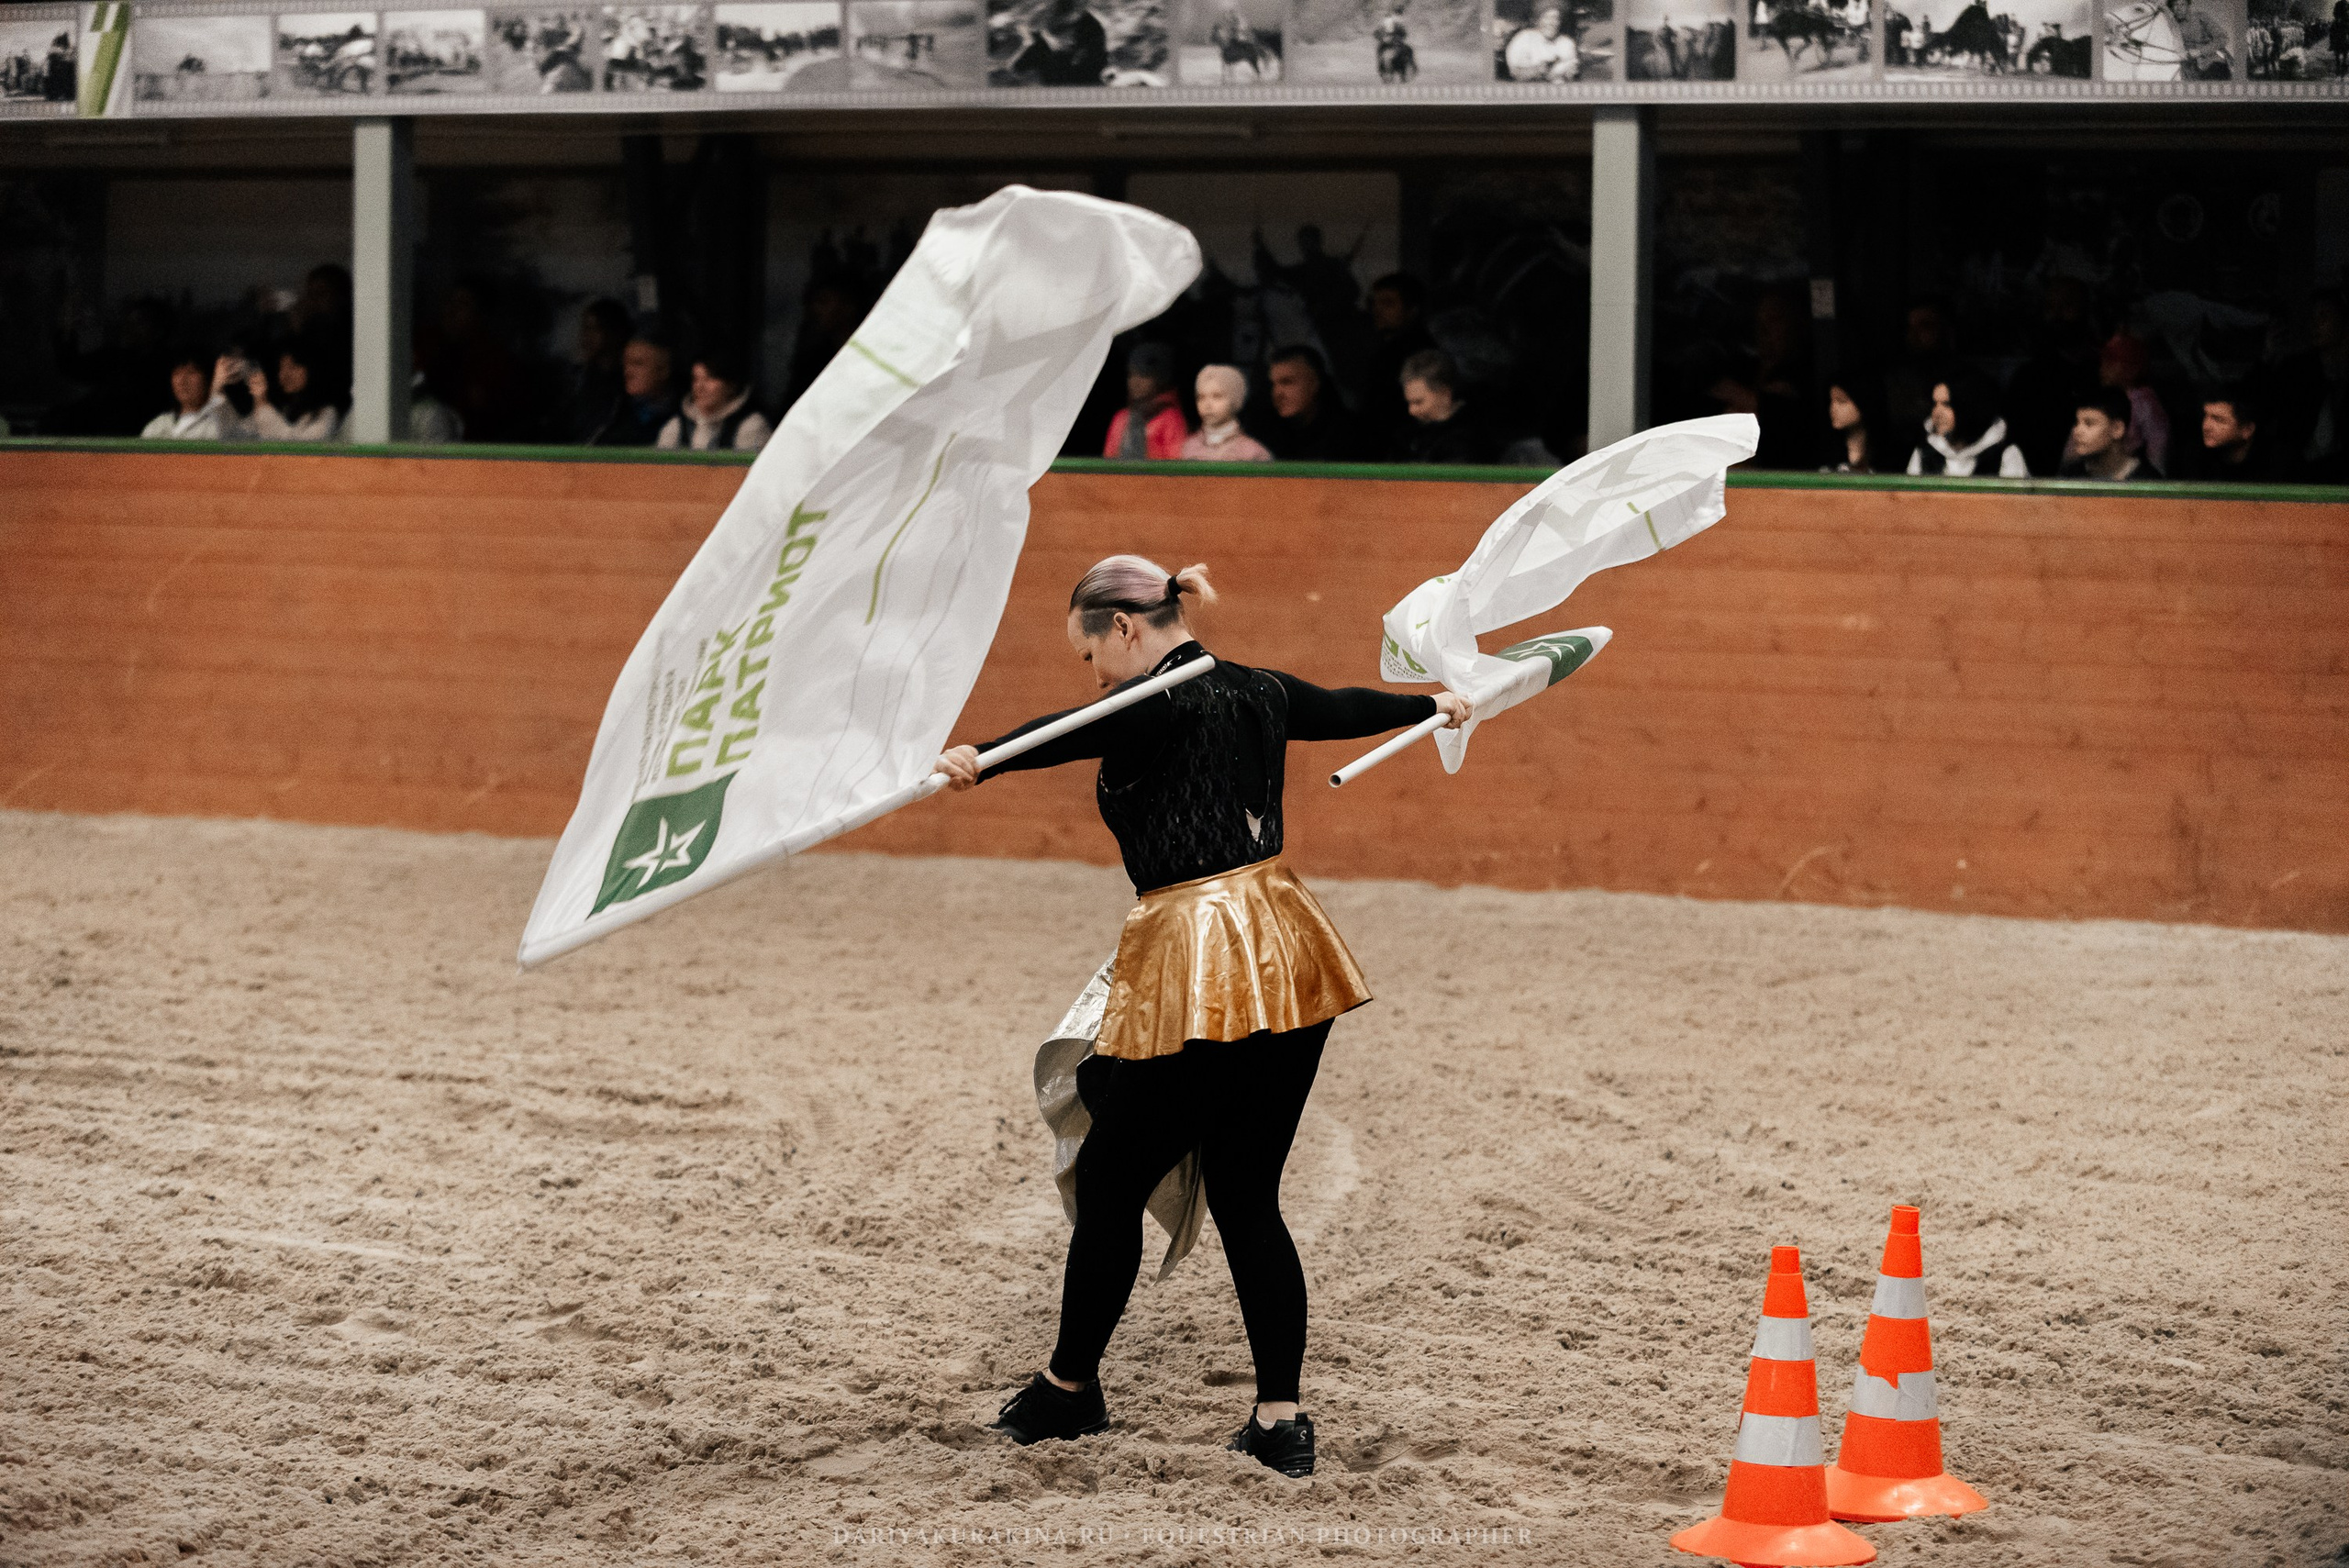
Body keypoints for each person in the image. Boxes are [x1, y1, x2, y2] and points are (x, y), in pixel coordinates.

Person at [934, 557, 1471, 1476]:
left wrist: (979, 757)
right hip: (1290, 945)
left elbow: (1067, 731)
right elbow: (1343, 705)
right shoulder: (1259, 687)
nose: (1093, 674)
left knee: (1110, 1178)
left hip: (1199, 957)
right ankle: (1279, 1417)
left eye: (1091, 653)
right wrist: (1430, 704)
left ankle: (1069, 1390)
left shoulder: (1153, 698)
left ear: (1127, 629)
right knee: (1245, 1189)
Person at [1257, 346, 1373, 462]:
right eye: (1273, 384)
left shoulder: (1349, 435)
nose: (1277, 393)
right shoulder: (1264, 433)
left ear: (1314, 384)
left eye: (1287, 382)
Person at [1905, 375, 2031, 477]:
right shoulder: (1924, 453)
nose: (1936, 413)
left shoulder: (2006, 454)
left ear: (1968, 408)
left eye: (1947, 405)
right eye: (1935, 404)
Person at [1398, 349, 1502, 464]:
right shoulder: (1411, 432)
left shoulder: (1468, 441)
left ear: (1444, 394)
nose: (1411, 411)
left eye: (1418, 402)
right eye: (1409, 403)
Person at [658, 350, 773, 452]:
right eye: (696, 379)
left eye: (710, 379)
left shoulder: (752, 426)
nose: (700, 387)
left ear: (731, 385)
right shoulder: (676, 426)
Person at [240, 337, 348, 442]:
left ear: (311, 368)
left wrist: (262, 402)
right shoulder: (286, 408)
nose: (284, 375)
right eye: (281, 367)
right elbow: (238, 433)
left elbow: (296, 447)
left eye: (292, 366)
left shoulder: (327, 414)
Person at [560, 297, 632, 442]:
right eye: (585, 328)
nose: (586, 337)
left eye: (594, 329)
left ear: (614, 333)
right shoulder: (578, 378)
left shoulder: (628, 381)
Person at [2098, 331, 2171, 475]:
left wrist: (2152, 481)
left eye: (2111, 362)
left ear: (2132, 368)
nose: (2103, 368)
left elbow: (2159, 448)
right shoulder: (2103, 400)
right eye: (2104, 362)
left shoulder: (2145, 402)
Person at [589, 333, 680, 447]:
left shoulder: (685, 415)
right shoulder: (612, 408)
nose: (628, 372)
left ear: (663, 370)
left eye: (637, 364)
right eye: (626, 363)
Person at [1104, 342, 1187, 460]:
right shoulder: (1121, 418)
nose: (1135, 382)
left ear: (1160, 379)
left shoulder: (1171, 418)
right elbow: (1107, 462)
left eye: (1144, 375)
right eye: (1131, 375)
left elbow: (1175, 465)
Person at [139, 349, 240, 440]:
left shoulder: (219, 420)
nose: (182, 381)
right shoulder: (158, 425)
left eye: (191, 372)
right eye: (177, 373)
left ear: (209, 378)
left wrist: (218, 388)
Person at [1179, 365, 1273, 462]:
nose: (1207, 405)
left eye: (1217, 396)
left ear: (1235, 400)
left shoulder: (1252, 452)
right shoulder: (1189, 447)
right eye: (1201, 397)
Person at [2057, 388, 2151, 480]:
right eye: (2076, 423)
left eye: (2089, 423)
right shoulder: (2070, 475)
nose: (2077, 431)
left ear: (2117, 429)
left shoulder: (2148, 480)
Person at [2196, 386, 2281, 481]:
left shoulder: (2276, 463)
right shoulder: (2197, 458)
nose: (2206, 426)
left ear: (2247, 429)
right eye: (2205, 416)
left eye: (2218, 420)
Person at [1504, 4, 1581, 79]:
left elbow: (1571, 73)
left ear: (1560, 22)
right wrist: (1537, 71)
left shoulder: (1567, 43)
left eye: (1555, 18)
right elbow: (1514, 72)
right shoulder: (1524, 38)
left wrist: (1570, 72)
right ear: (1538, 20)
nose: (1551, 23)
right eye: (1546, 17)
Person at [1822, 382, 1877, 473]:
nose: (1833, 408)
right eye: (1831, 401)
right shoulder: (1825, 450)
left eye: (1841, 401)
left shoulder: (1889, 454)